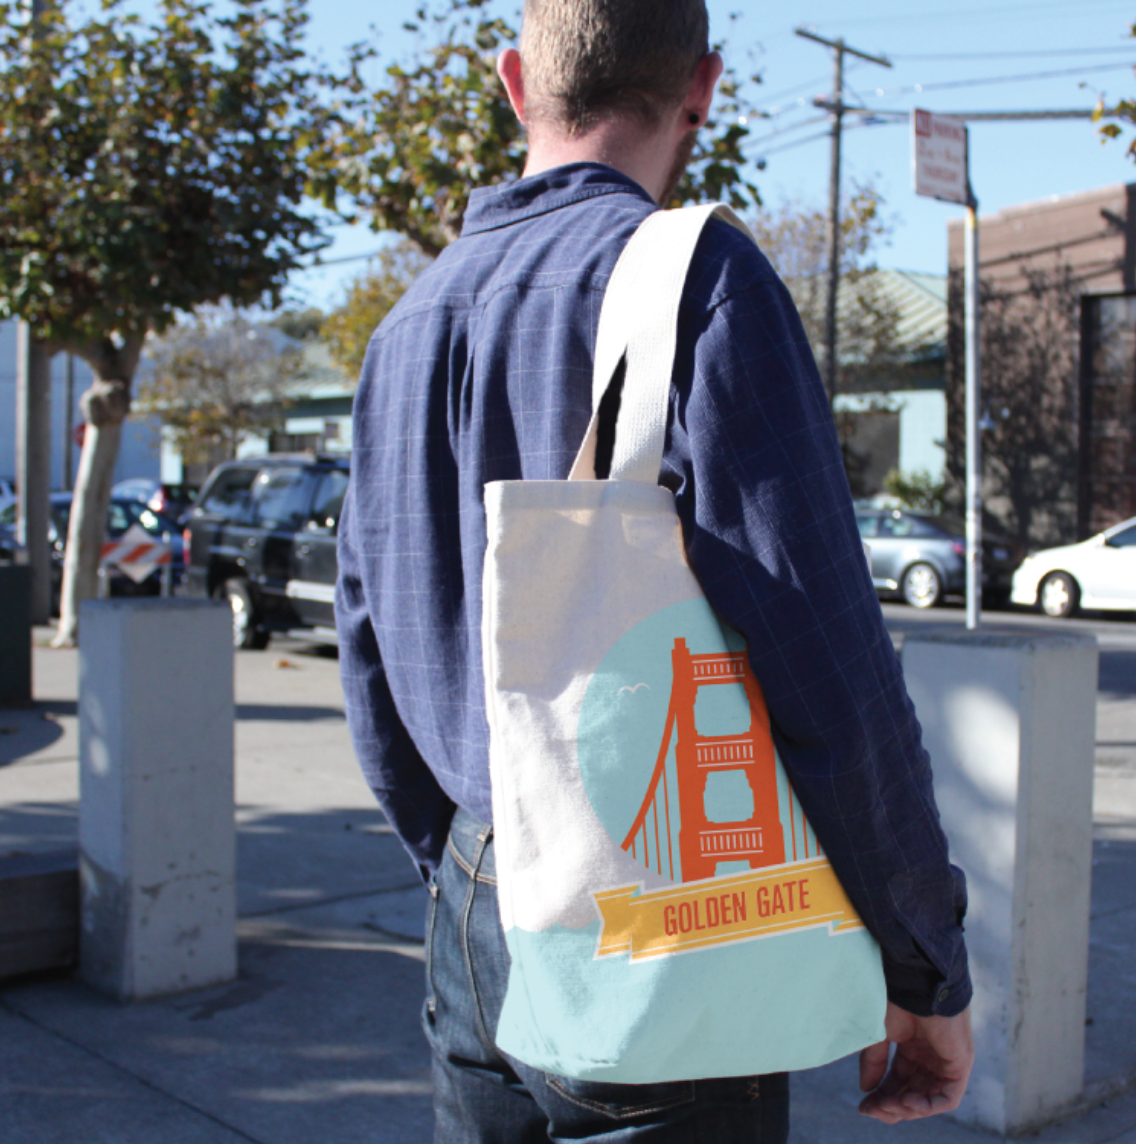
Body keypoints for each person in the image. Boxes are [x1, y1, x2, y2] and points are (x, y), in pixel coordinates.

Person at [336, 1, 974, 1139]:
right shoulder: (698, 280)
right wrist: (925, 964)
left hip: (476, 904)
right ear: (703, 88)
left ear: (514, 80)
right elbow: (830, 672)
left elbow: (368, 654)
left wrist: (466, 875)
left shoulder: (405, 328)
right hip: (660, 922)